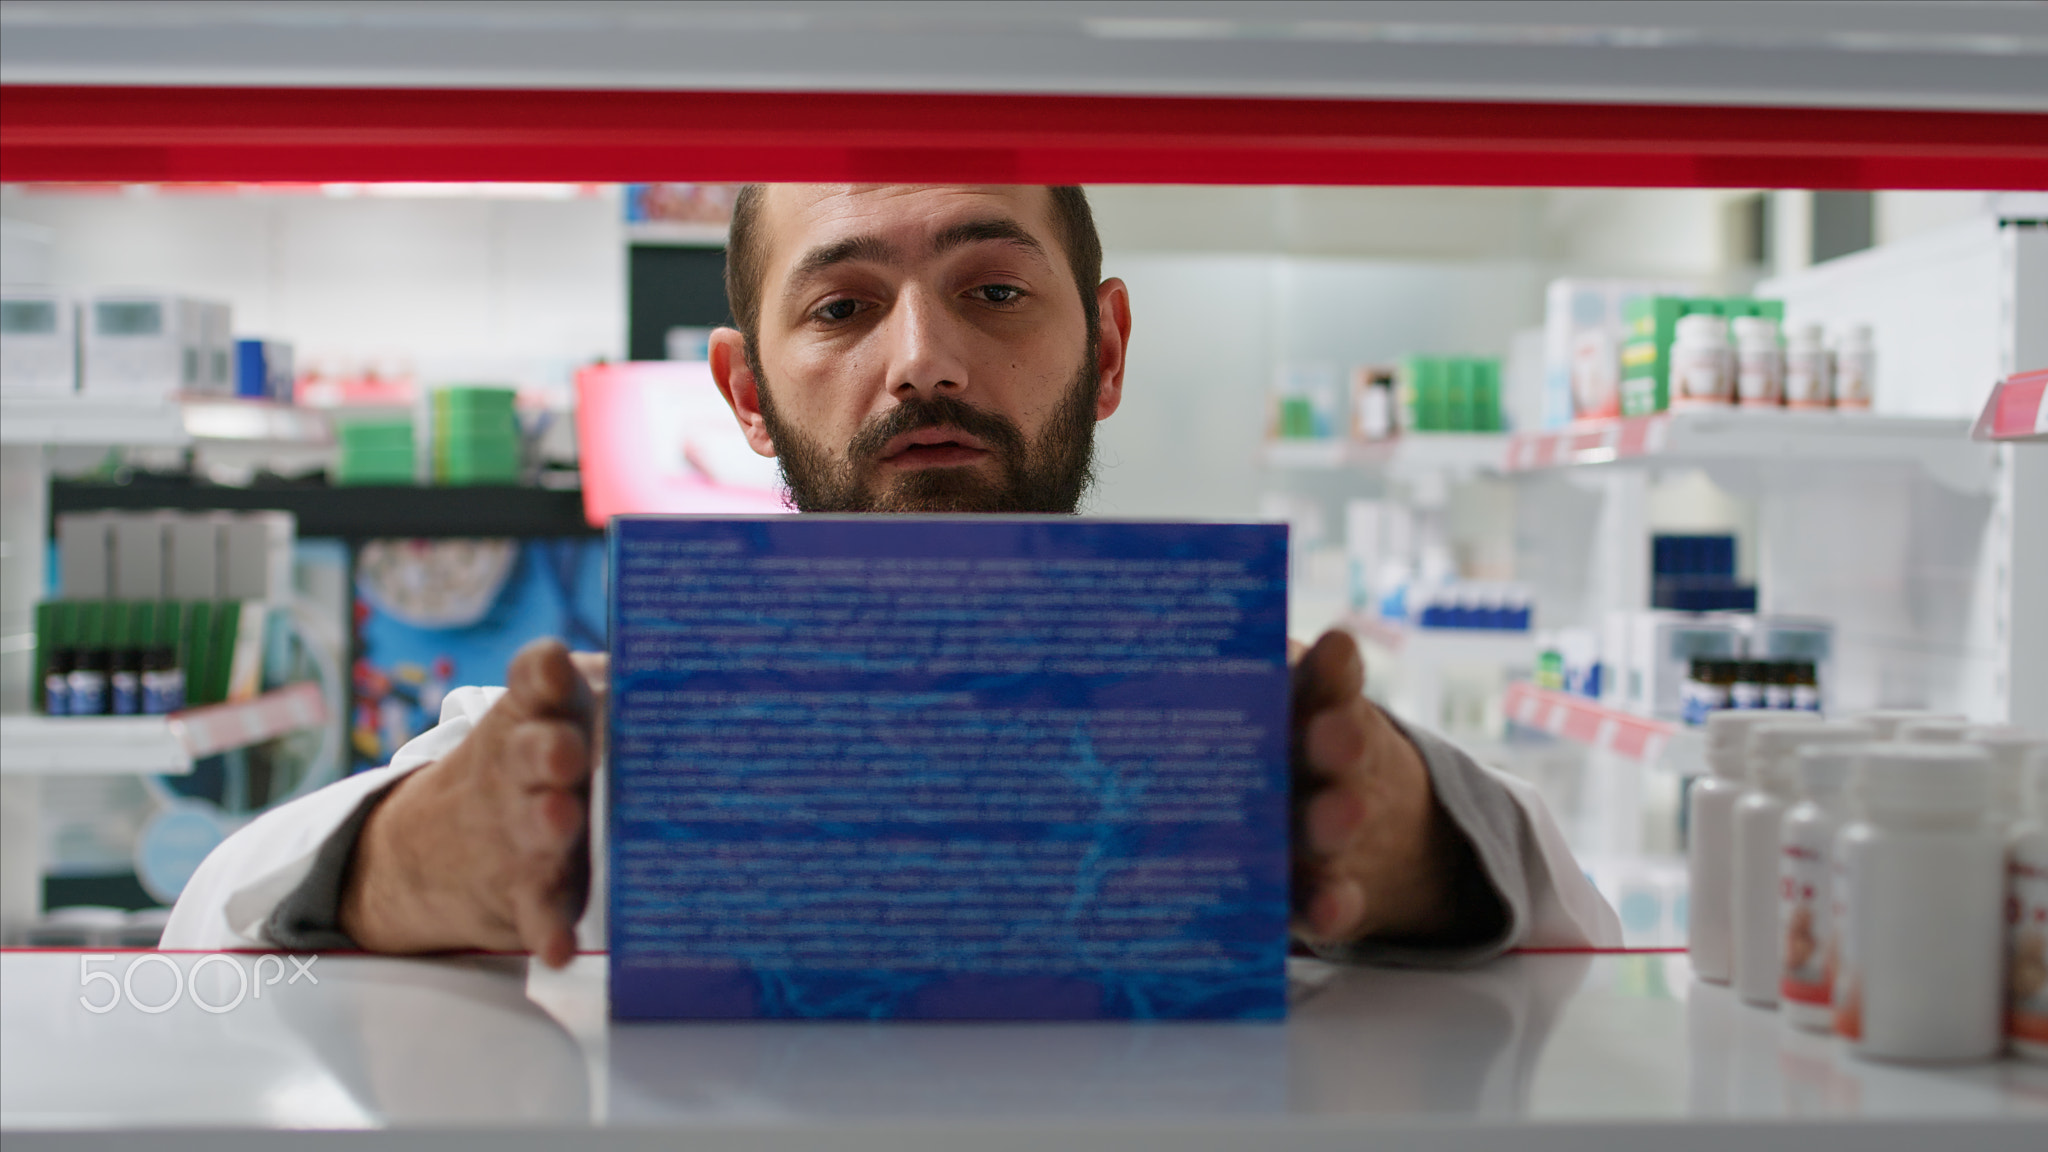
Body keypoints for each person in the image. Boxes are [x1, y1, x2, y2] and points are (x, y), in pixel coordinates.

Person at [164, 184, 1619, 966]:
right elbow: (204, 926)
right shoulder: (580, 757)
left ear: (1108, 348)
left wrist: (1410, 842)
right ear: (745, 394)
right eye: (842, 306)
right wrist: (420, 861)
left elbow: (1592, 939)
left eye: (995, 290)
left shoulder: (1258, 755)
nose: (923, 360)